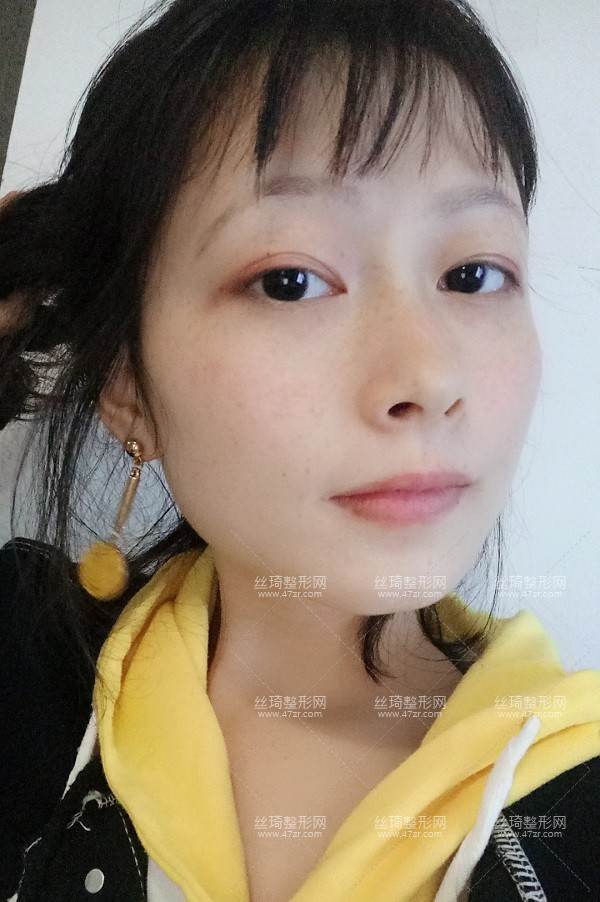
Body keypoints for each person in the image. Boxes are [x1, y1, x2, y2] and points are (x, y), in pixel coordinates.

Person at [0, 0, 598, 899]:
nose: (429, 375)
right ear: (126, 383)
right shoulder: (30, 669)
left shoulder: (578, 802)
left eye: (472, 274)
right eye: (290, 281)